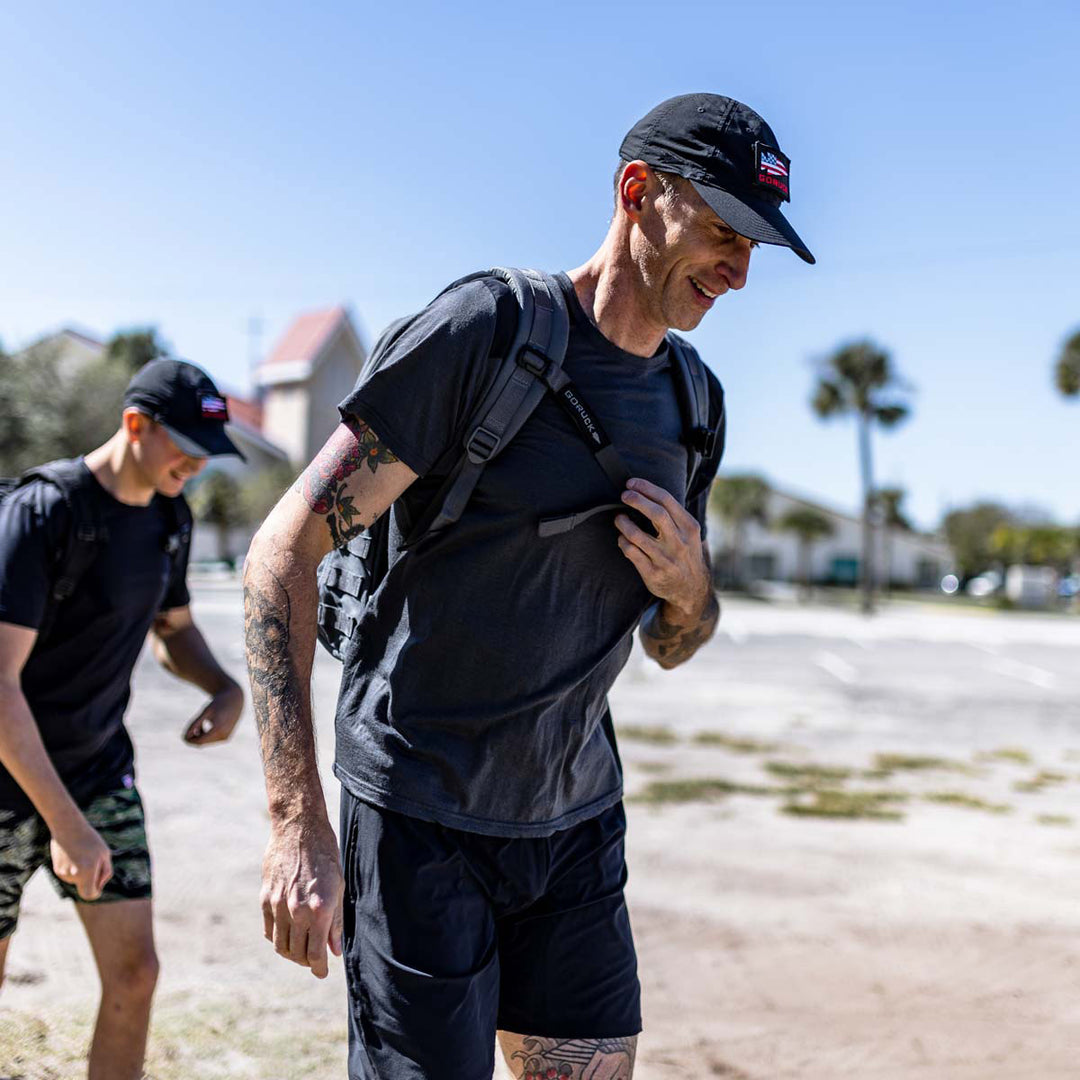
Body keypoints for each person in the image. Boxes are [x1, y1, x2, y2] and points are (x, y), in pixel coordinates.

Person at [244, 92, 814, 1079]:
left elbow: (675, 642)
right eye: (725, 232)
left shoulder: (693, 405)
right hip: (419, 812)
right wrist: (296, 824)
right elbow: (283, 553)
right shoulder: (487, 334)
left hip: (576, 817)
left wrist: (691, 592)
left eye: (758, 246)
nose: (740, 271)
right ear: (638, 194)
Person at [0, 359, 246, 1080]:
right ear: (135, 425)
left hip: (98, 767)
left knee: (135, 976)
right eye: (187, 447)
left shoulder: (170, 518)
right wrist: (67, 825)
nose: (198, 466)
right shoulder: (40, 514)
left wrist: (223, 685)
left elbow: (173, 629)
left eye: (208, 453)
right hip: (7, 776)